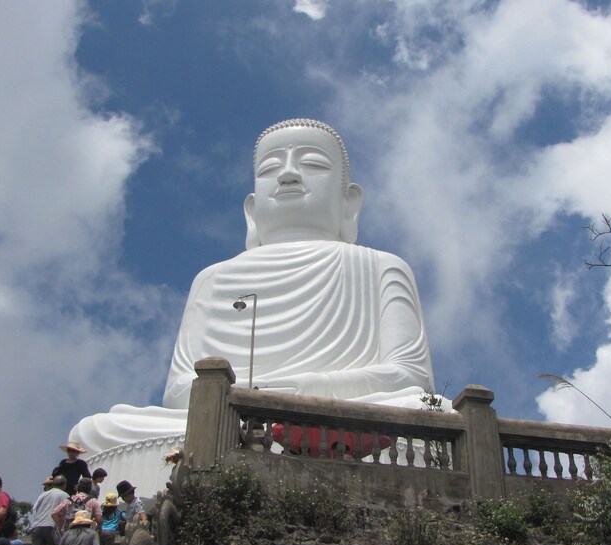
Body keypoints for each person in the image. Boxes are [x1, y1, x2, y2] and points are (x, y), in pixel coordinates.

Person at [68, 119, 436, 493]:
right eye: (270, 169)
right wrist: (248, 397)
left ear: (349, 202)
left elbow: (409, 377)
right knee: (96, 429)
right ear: (251, 208)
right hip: (231, 415)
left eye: (312, 164)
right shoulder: (212, 278)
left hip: (338, 413)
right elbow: (180, 389)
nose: (289, 176)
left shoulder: (379, 266)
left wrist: (309, 386)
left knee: (429, 405)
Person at [26, 476, 68, 545]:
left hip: (38, 526)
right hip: (52, 526)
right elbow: (65, 513)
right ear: (64, 485)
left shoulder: (43, 494)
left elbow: (35, 509)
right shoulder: (64, 495)